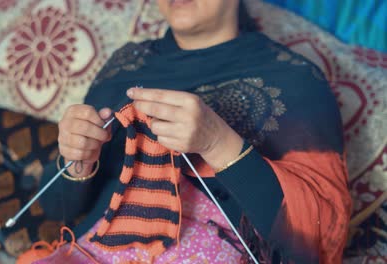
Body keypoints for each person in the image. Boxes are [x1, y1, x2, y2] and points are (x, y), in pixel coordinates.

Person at [35, 0, 351, 263]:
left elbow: (320, 241)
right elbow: (56, 209)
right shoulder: (126, 66)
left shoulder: (294, 78)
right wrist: (78, 161)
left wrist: (218, 143)